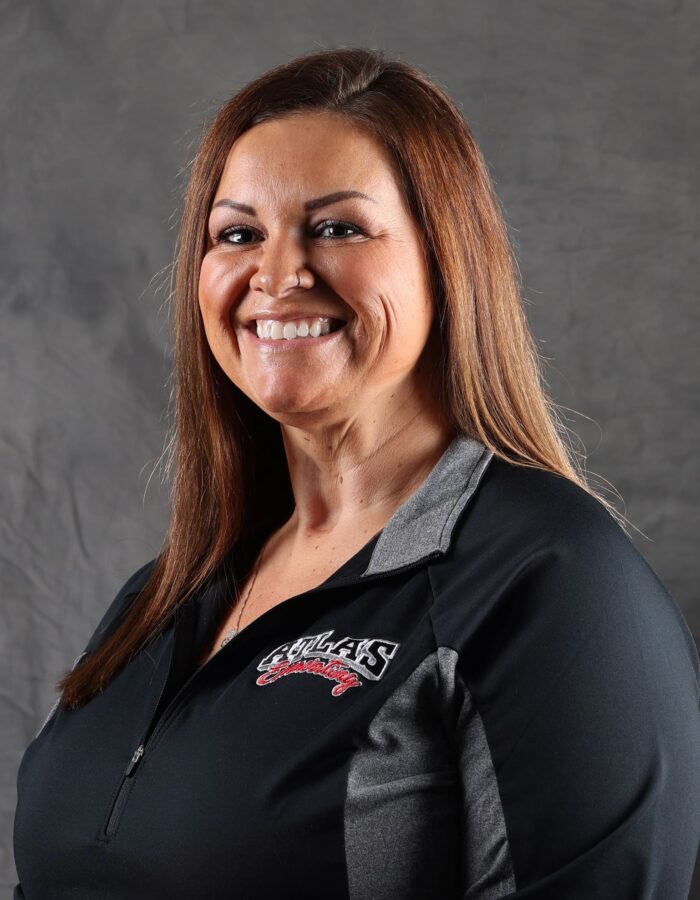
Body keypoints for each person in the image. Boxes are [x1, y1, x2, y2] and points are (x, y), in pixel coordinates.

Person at [13, 47, 700, 899]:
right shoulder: (168, 597)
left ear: (447, 261)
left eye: (337, 227)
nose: (276, 275)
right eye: (237, 235)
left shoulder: (548, 581)